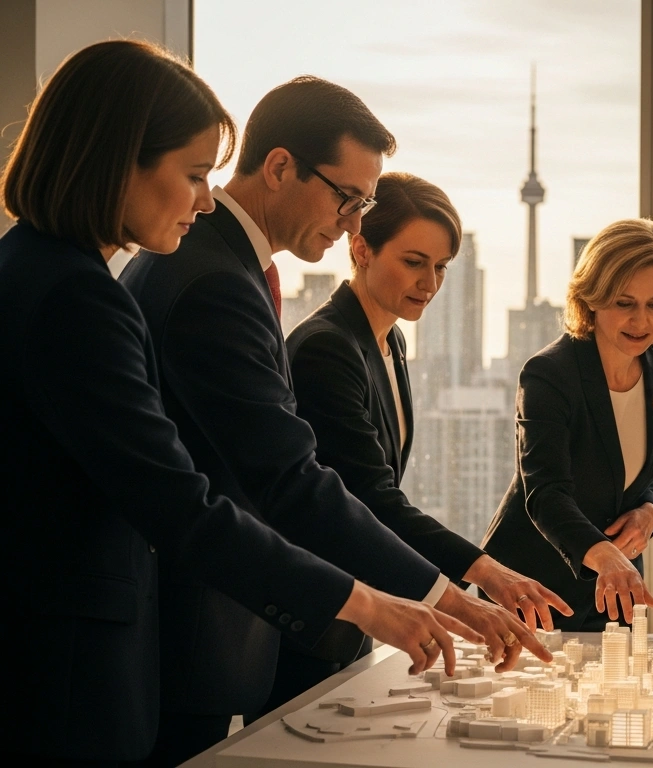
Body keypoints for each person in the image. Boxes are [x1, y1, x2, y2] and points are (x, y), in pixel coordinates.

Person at [0, 40, 475, 765]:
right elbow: (186, 501)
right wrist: (374, 602)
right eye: (192, 173)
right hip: (70, 664)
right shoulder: (80, 295)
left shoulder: (40, 267)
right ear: (119, 158)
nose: (202, 195)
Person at [118, 77, 549, 766]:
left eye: (364, 203)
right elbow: (289, 480)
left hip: (205, 619)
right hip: (191, 623)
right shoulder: (214, 282)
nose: (353, 221)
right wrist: (442, 599)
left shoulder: (222, 267)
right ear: (281, 166)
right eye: (346, 197)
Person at [260, 173, 571, 716]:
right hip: (312, 618)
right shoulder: (328, 348)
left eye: (442, 266)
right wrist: (484, 573)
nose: (430, 281)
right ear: (360, 248)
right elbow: (370, 498)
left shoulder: (389, 338)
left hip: (357, 617)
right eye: (413, 261)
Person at [481, 218, 653, 630]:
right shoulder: (549, 374)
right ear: (592, 298)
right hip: (534, 586)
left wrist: (650, 510)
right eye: (624, 303)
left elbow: (643, 468)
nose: (642, 322)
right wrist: (605, 555)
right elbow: (545, 493)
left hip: (618, 587)